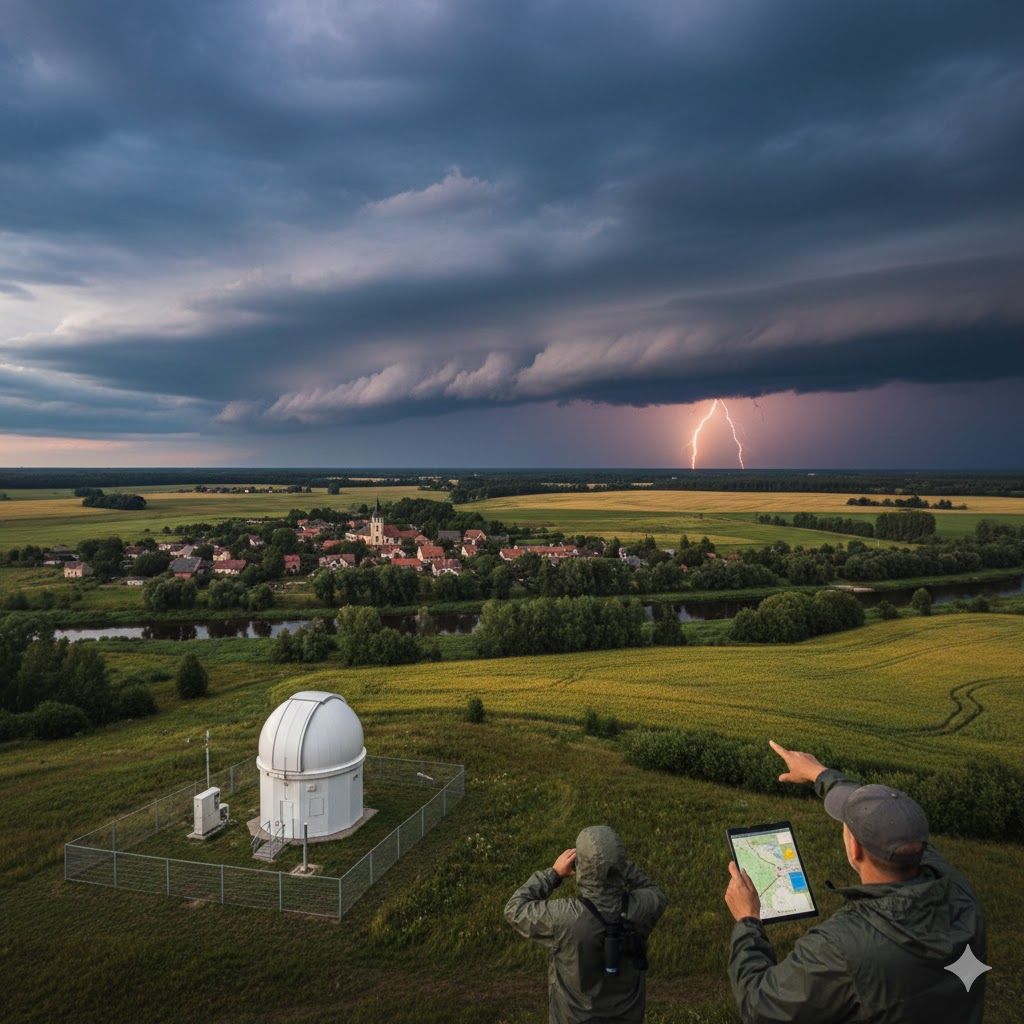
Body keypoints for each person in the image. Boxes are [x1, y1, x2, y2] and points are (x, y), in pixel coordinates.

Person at [724, 740, 987, 1024]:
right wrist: (819, 774)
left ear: (855, 849)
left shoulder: (840, 947)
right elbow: (888, 819)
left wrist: (748, 920)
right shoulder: (959, 892)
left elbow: (760, 1007)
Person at [505, 825, 668, 1023]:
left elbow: (514, 909)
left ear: (580, 866)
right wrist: (620, 867)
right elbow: (656, 892)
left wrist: (554, 874)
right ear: (621, 863)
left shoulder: (566, 918)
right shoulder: (642, 909)